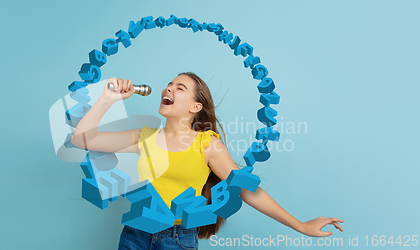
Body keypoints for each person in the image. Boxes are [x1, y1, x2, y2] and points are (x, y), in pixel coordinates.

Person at [71, 72, 344, 250]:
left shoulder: (207, 144)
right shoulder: (143, 137)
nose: (168, 88)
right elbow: (81, 139)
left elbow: (248, 190)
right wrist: (108, 98)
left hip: (177, 239)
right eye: (169, 84)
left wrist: (301, 225)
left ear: (195, 107)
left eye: (179, 87)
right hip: (134, 235)